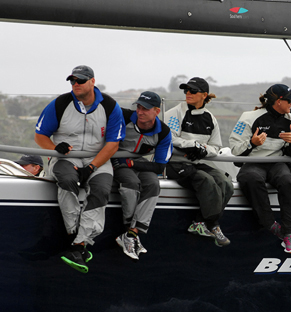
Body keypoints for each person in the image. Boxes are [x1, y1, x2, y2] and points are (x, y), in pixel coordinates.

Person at [34, 65, 125, 273]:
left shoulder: (110, 106)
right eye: (72, 81)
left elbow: (113, 144)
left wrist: (92, 166)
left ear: (93, 82)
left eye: (80, 80)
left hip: (98, 158)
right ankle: (75, 235)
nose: (75, 84)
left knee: (102, 190)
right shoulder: (59, 103)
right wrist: (55, 148)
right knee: (66, 180)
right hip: (67, 157)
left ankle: (78, 245)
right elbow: (40, 136)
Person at [230, 84, 291, 254]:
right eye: (290, 100)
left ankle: (290, 234)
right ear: (278, 101)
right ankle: (271, 225)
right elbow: (234, 148)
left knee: (289, 182)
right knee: (251, 179)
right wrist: (251, 143)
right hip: (253, 162)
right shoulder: (248, 117)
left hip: (277, 163)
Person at [165, 77, 233, 247]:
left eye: (192, 91)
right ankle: (213, 225)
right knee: (206, 180)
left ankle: (200, 222)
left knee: (226, 182)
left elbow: (215, 147)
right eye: (186, 90)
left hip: (198, 162)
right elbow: (170, 138)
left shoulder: (210, 118)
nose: (188, 93)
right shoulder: (174, 113)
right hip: (175, 162)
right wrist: (192, 146)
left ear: (204, 95)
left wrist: (203, 150)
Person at [113, 91, 173, 260]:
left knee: (154, 184)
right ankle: (129, 233)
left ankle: (132, 234)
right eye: (138, 107)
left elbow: (160, 166)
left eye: (145, 109)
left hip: (136, 162)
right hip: (116, 158)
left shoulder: (163, 132)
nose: (140, 112)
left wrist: (133, 164)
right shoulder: (124, 117)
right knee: (131, 182)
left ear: (156, 111)